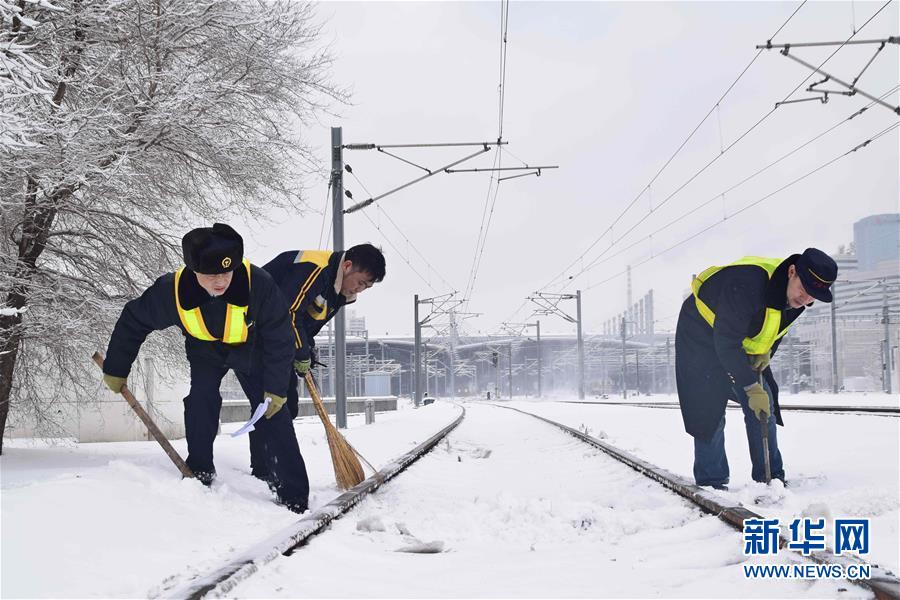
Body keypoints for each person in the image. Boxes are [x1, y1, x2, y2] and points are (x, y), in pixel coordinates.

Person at [101, 223, 309, 512]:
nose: (220, 281)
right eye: (211, 275)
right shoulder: (172, 291)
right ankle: (200, 468)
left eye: (226, 272)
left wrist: (276, 387)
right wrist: (116, 367)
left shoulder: (258, 284)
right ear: (194, 270)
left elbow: (280, 334)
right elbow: (133, 321)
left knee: (271, 409)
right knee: (201, 399)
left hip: (252, 347)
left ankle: (293, 494)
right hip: (205, 350)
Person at [675, 248, 837, 489]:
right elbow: (726, 343)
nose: (805, 300)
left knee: (764, 406)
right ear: (792, 272)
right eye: (803, 290)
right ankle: (712, 481)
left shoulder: (798, 299)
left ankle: (770, 477)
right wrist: (750, 387)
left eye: (813, 296)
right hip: (700, 334)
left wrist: (766, 352)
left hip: (735, 338)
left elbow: (776, 328)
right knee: (708, 406)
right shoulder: (747, 284)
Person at [247, 244, 386, 481]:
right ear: (347, 266)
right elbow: (288, 312)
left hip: (277, 341)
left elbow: (306, 320)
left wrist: (306, 350)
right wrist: (300, 350)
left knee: (287, 405)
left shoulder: (337, 290)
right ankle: (264, 471)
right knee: (273, 405)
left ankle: (264, 466)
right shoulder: (315, 269)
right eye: (360, 282)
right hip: (253, 333)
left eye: (366, 287)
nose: (359, 290)